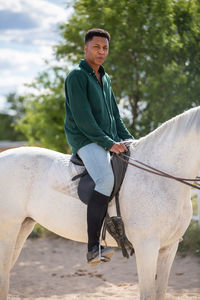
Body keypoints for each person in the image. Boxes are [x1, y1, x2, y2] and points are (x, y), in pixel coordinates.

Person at [64, 28, 133, 266]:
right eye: (96, 47)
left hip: (106, 138)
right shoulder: (76, 76)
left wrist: (130, 140)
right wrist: (109, 143)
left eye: (105, 48)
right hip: (85, 139)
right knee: (105, 180)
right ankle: (93, 246)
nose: (101, 51)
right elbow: (84, 121)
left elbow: (115, 115)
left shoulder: (105, 77)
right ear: (86, 48)